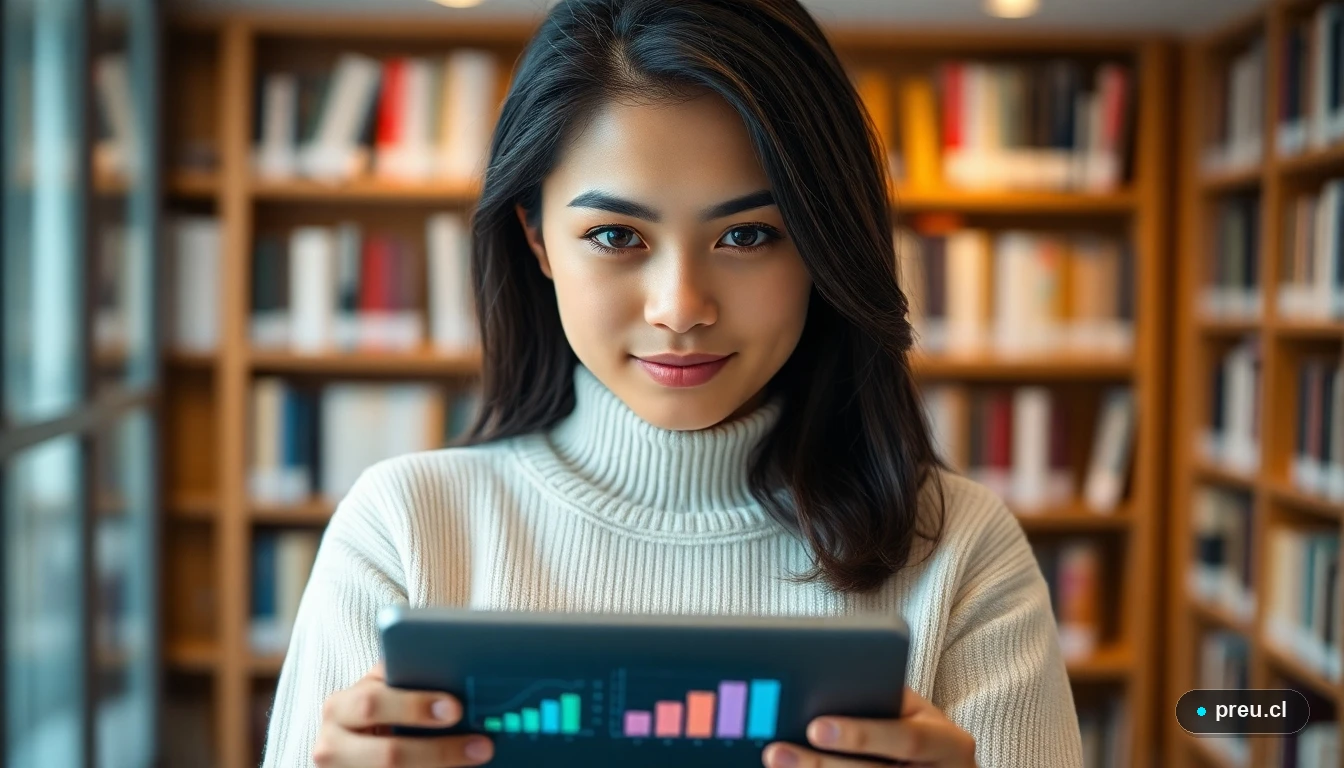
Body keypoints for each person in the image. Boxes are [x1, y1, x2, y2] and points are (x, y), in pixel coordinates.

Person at [260, 0, 1085, 765]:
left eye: (750, 234)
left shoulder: (962, 553)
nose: (681, 308)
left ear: (824, 244)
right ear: (537, 239)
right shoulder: (405, 532)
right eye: (617, 234)